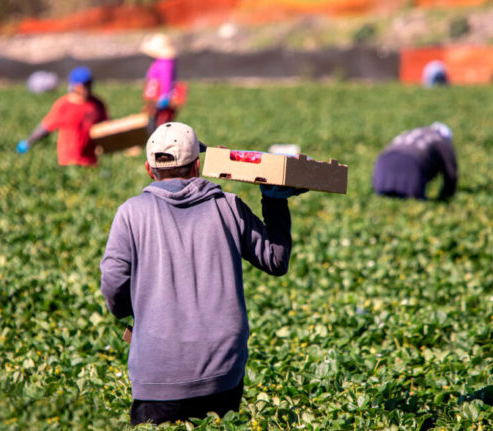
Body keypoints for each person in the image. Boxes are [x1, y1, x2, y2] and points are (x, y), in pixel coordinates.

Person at [99, 122, 305, 425]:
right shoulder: (229, 207)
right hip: (222, 374)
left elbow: (113, 283)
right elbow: (275, 260)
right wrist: (274, 202)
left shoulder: (131, 212)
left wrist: (136, 313)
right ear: (197, 166)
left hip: (157, 376)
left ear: (148, 168)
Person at [17, 66, 108, 166]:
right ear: (74, 86)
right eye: (83, 85)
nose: (86, 89)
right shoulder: (63, 105)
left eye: (89, 84)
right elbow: (45, 128)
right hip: (69, 161)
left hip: (91, 161)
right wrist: (28, 142)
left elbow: (106, 127)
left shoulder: (97, 104)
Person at [372, 122, 457, 201]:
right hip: (411, 166)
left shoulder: (410, 132)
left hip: (382, 166)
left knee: (384, 199)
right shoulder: (442, 140)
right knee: (412, 202)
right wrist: (446, 198)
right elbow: (451, 173)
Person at [141, 34, 178, 135]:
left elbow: (166, 80)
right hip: (156, 101)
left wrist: (164, 98)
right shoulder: (160, 62)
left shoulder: (166, 63)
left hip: (162, 102)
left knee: (160, 129)